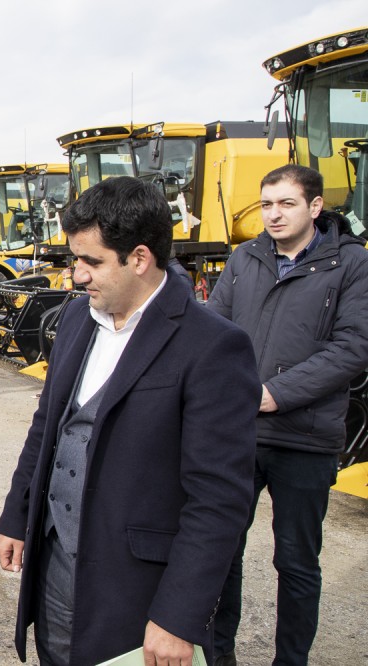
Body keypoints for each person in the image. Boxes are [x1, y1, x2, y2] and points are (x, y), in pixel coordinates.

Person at [0, 176, 260, 665]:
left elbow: (219, 498)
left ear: (139, 258)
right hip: (56, 570)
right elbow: (47, 428)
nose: (76, 276)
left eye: (91, 262)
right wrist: (17, 515)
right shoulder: (76, 320)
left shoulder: (213, 346)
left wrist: (179, 616)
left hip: (136, 589)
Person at [209, 164, 368, 666]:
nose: (273, 214)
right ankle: (218, 656)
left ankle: (290, 661)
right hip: (240, 434)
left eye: (286, 204)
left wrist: (273, 394)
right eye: (267, 204)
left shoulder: (351, 264)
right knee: (220, 551)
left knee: (296, 562)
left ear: (315, 207)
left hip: (305, 437)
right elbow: (214, 329)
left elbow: (353, 347)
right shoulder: (244, 257)